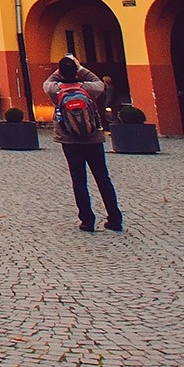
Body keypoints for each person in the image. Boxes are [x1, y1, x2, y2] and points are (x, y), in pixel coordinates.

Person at [43, 55, 122, 233]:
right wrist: (80, 68)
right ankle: (115, 219)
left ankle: (87, 221)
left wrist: (60, 71)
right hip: (93, 138)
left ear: (60, 71)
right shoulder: (88, 88)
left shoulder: (56, 89)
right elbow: (99, 83)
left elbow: (46, 83)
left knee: (78, 179)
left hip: (69, 140)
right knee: (103, 178)